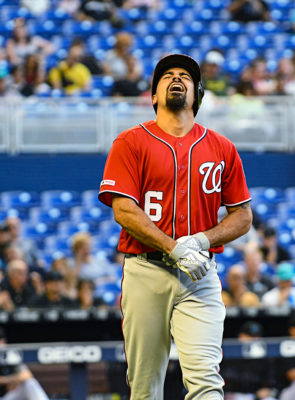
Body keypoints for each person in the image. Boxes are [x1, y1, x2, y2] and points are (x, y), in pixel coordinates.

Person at [98, 53, 252, 399]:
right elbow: (123, 210)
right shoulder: (130, 142)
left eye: (185, 75)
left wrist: (199, 240)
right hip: (146, 271)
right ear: (153, 95)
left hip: (199, 275)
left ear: (196, 95)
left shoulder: (222, 147)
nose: (177, 78)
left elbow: (243, 216)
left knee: (206, 381)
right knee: (145, 386)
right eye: (167, 76)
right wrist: (173, 246)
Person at [103, 32, 146, 97]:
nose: (124, 48)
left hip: (130, 84)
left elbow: (137, 73)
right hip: (117, 84)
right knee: (120, 85)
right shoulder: (110, 55)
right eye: (122, 45)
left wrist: (130, 69)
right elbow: (108, 73)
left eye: (127, 45)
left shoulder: (132, 56)